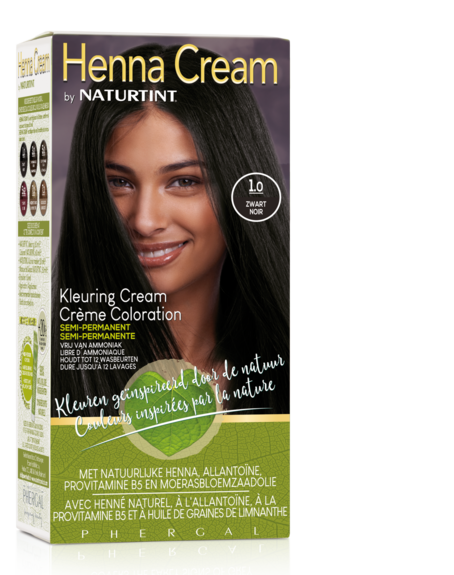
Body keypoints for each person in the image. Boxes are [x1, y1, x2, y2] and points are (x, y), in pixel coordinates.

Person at [53, 43, 290, 415]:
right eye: (119, 182)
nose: (145, 221)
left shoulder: (281, 370)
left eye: (184, 181)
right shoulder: (51, 376)